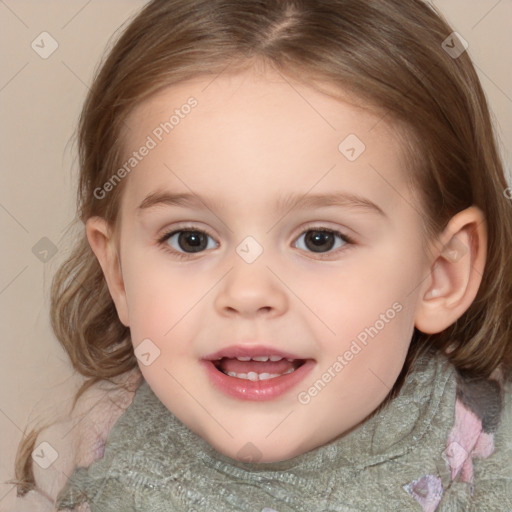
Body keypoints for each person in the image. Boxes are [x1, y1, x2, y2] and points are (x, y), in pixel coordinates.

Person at [8, 0, 512, 510]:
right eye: (191, 239)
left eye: (320, 239)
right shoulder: (98, 480)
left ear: (440, 274)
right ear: (118, 274)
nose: (248, 293)